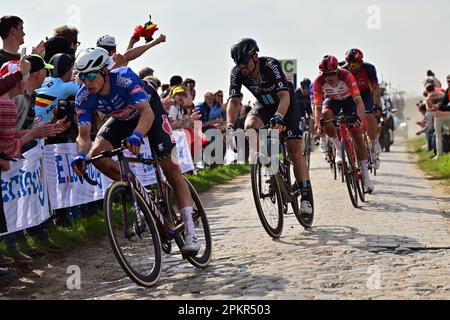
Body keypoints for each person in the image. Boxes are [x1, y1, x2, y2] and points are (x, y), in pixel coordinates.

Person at [71, 48, 200, 254]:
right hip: (122, 118)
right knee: (95, 154)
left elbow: (146, 113)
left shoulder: (124, 78)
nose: (86, 81)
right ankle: (140, 191)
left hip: (150, 111)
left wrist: (138, 135)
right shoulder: (84, 96)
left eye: (90, 75)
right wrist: (80, 154)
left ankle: (191, 231)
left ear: (104, 71)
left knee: (170, 167)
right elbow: (84, 135)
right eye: (82, 76)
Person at [226, 38, 313, 215]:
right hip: (264, 105)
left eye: (243, 61)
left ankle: (305, 197)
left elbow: (284, 96)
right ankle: (267, 163)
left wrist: (279, 117)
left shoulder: (270, 65)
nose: (240, 66)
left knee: (294, 149)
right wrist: (229, 126)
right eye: (237, 62)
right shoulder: (237, 72)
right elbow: (234, 101)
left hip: (285, 105)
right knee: (250, 126)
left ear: (255, 56)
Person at [313, 55, 374, 193]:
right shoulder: (318, 81)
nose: (329, 78)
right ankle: (339, 149)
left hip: (350, 101)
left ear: (337, 71)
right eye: (326, 75)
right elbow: (316, 107)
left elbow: (359, 101)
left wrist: (361, 118)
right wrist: (318, 124)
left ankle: (365, 173)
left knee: (356, 134)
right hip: (332, 101)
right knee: (326, 116)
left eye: (332, 74)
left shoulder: (346, 75)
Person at [342, 48, 382, 169]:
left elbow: (375, 89)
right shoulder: (343, 70)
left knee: (369, 115)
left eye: (355, 64)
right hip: (350, 95)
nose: (352, 67)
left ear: (361, 62)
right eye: (350, 64)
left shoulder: (369, 68)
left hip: (365, 94)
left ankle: (374, 143)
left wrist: (377, 105)